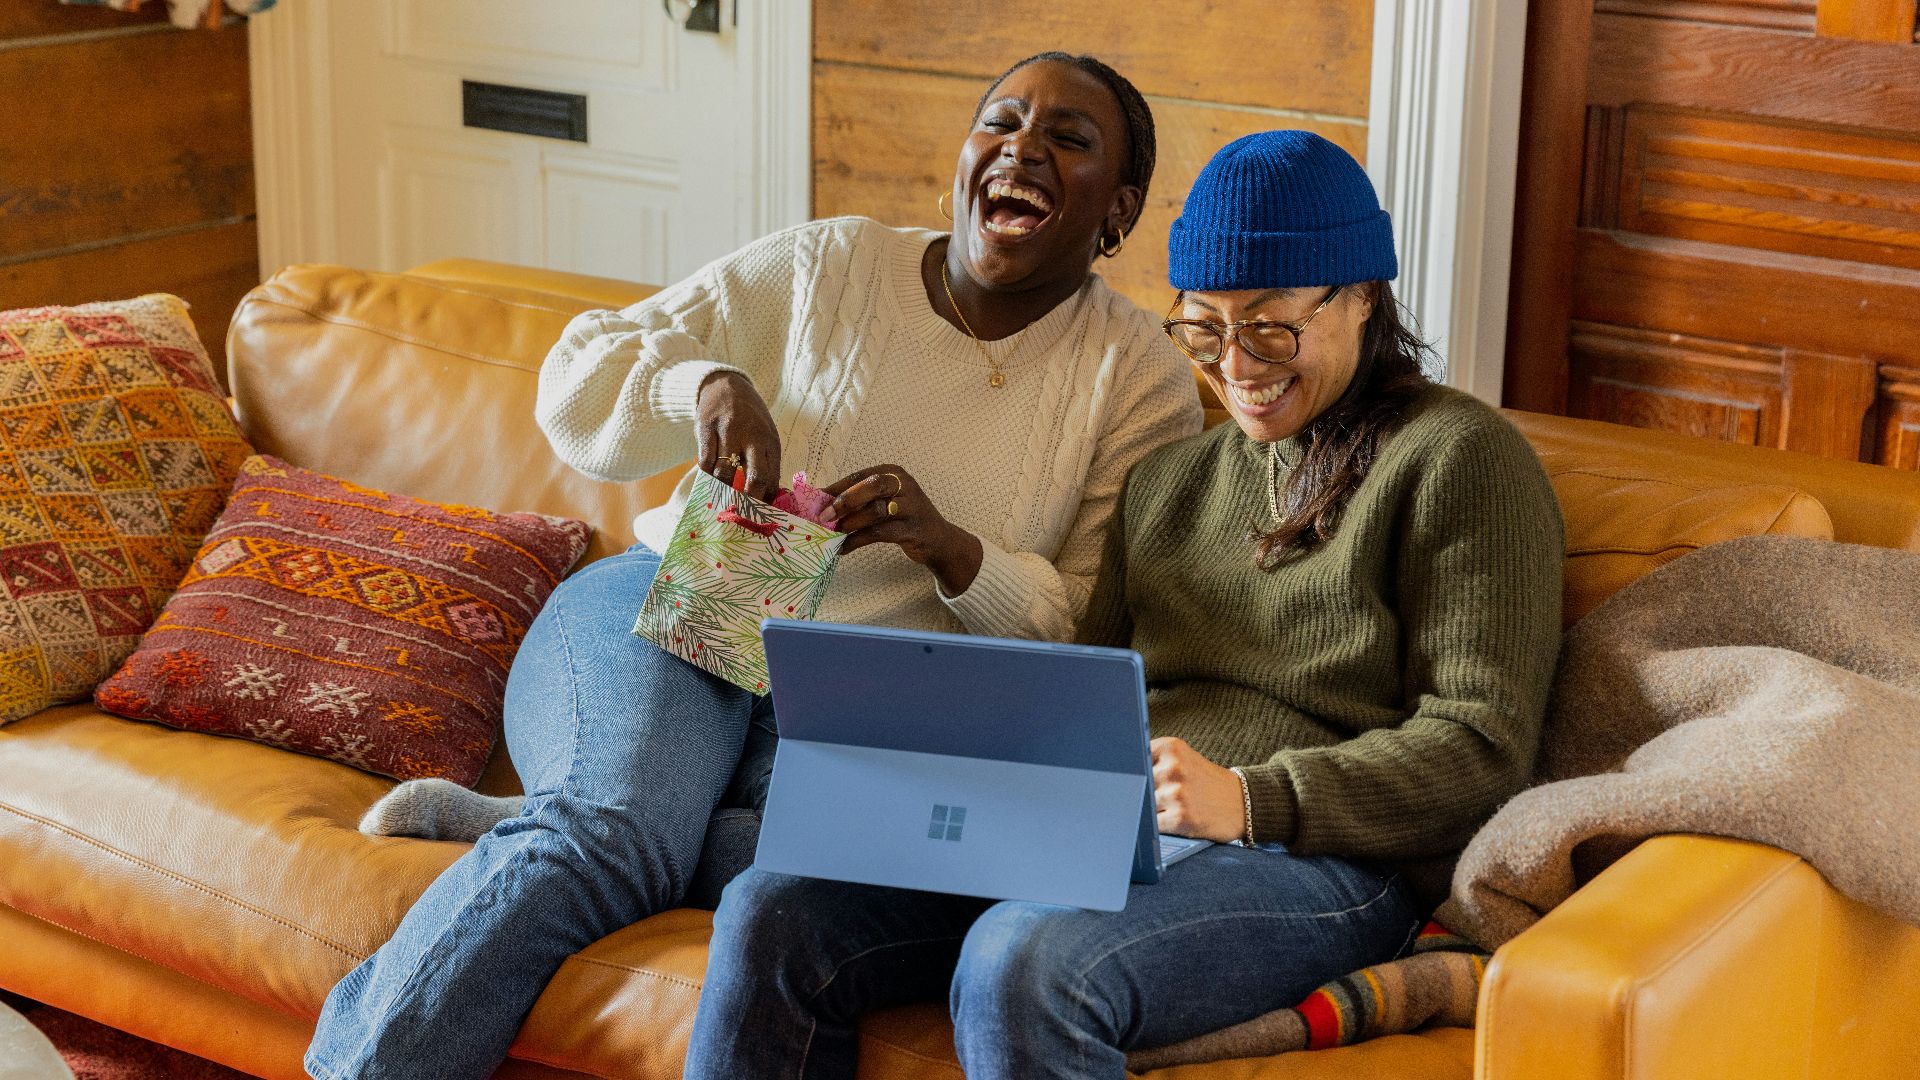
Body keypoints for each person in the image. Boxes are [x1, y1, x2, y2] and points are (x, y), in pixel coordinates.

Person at [302, 52, 1202, 1080]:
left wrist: (958, 553)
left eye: (1068, 139)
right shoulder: (834, 266)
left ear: (1118, 209)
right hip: (681, 599)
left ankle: (556, 817)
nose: (1021, 148)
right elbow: (575, 376)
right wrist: (706, 383)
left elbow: (1088, 630)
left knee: (815, 862)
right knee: (612, 837)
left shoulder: (1139, 381)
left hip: (863, 709)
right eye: (999, 122)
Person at [682, 130, 1565, 1080]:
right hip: (1107, 830)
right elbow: (1078, 693)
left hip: (1326, 860)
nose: (1237, 364)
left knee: (1025, 963)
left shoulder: (1460, 458)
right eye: (1205, 327)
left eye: (1269, 326)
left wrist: (1257, 799)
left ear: (1361, 297)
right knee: (775, 907)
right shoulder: (1169, 484)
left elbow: (1482, 745)